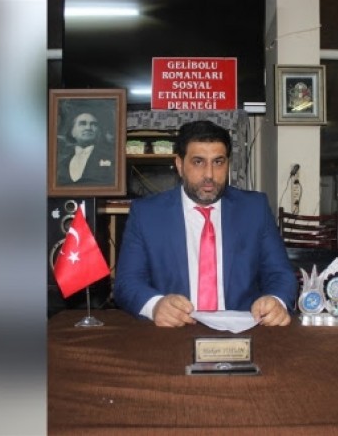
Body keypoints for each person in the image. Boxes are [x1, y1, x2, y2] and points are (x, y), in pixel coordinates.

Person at [114, 120, 297, 327]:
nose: (209, 174)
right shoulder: (147, 214)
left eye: (218, 162)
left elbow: (280, 274)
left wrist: (276, 300)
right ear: (180, 165)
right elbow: (127, 282)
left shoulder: (254, 209)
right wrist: (155, 306)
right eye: (198, 162)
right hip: (174, 331)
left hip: (242, 330)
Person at [56, 109, 115, 186]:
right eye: (82, 124)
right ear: (72, 132)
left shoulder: (111, 156)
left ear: (98, 132)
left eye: (93, 124)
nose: (88, 128)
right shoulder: (62, 163)